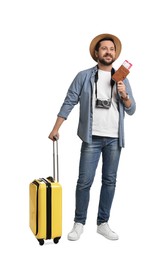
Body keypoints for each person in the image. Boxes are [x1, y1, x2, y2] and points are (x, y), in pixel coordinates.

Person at [48, 33, 136, 241]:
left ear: (115, 54)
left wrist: (124, 95)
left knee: (109, 181)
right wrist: (55, 128)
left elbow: (132, 110)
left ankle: (102, 223)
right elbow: (69, 101)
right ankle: (79, 223)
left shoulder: (122, 78)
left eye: (112, 49)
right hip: (91, 139)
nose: (108, 52)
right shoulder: (84, 76)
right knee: (84, 182)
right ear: (96, 53)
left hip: (115, 139)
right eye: (104, 48)